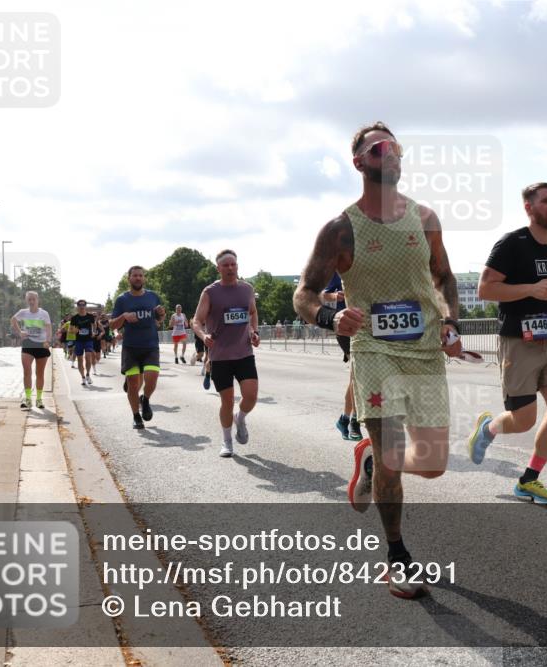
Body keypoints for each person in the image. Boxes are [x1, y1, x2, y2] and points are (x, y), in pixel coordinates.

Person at [294, 121, 462, 599]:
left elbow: (445, 278)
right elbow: (304, 293)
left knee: (432, 464)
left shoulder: (424, 218)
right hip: (373, 349)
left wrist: (451, 323)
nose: (390, 153)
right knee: (393, 453)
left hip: (424, 350)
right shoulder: (341, 229)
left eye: (395, 147)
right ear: (359, 162)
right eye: (378, 148)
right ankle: (397, 556)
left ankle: (370, 461)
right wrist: (330, 316)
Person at [466, 183, 547, 505]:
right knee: (523, 420)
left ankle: (529, 480)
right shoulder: (512, 243)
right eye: (546, 201)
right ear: (529, 207)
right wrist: (529, 289)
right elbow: (485, 289)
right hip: (517, 341)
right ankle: (488, 428)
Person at [192, 250, 260, 458]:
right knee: (227, 401)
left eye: (233, 264)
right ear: (218, 268)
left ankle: (240, 418)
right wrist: (203, 336)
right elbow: (196, 321)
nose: (230, 268)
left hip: (244, 353)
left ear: (237, 266)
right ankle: (227, 441)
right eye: (226, 265)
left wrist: (254, 332)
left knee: (251, 396)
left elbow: (252, 312)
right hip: (220, 356)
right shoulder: (210, 292)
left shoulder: (247, 289)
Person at [110, 266, 166, 430]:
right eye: (135, 275)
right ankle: (136, 416)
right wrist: (124, 316)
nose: (138, 278)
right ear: (129, 278)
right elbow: (112, 324)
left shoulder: (153, 297)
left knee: (152, 377)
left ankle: (145, 399)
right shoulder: (122, 299)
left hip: (150, 345)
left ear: (144, 278)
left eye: (141, 275)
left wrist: (161, 314)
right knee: (133, 383)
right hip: (131, 347)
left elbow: (159, 320)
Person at [321, 272, 362, 441]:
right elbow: (322, 295)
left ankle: (345, 419)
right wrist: (335, 295)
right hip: (345, 328)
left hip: (366, 326)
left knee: (356, 376)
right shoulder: (338, 271)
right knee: (359, 373)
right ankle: (354, 421)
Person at [11, 291, 53, 409]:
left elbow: (49, 328)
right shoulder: (23, 312)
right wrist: (20, 332)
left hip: (41, 345)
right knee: (27, 371)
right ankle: (28, 398)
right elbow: (13, 319)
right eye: (29, 299)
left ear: (37, 300)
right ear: (26, 300)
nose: (31, 301)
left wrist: (48, 341)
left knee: (39, 373)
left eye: (33, 299)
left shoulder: (44, 313)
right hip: (28, 343)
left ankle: (39, 399)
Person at [70, 300, 97, 386]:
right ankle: (83, 377)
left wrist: (94, 331)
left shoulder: (90, 316)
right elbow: (70, 330)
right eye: (80, 305)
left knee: (88, 357)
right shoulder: (74, 318)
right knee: (80, 360)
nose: (82, 306)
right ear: (77, 306)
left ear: (85, 306)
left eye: (83, 305)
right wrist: (74, 331)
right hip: (79, 341)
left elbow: (94, 325)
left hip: (88, 340)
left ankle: (88, 374)